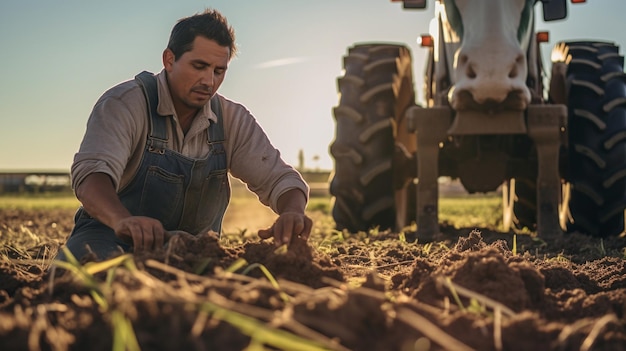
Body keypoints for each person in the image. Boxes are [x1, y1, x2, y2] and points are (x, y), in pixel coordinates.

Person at [56, 9, 312, 262]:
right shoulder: (125, 104)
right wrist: (122, 220)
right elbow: (91, 176)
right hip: (110, 240)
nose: (208, 81)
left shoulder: (232, 120)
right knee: (90, 276)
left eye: (218, 71)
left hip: (192, 252)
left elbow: (280, 179)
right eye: (199, 66)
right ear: (169, 60)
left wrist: (292, 212)